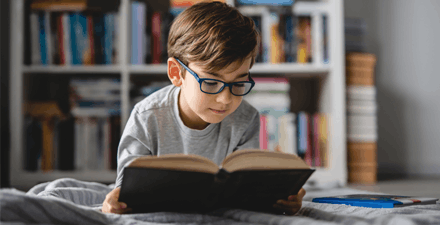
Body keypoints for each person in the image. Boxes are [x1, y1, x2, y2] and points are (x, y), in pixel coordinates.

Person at [102, 1, 305, 215]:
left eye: (238, 83)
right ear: (176, 73)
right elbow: (124, 191)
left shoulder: (246, 118)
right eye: (210, 83)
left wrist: (283, 199)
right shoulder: (146, 117)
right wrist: (116, 202)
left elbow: (249, 186)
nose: (225, 99)